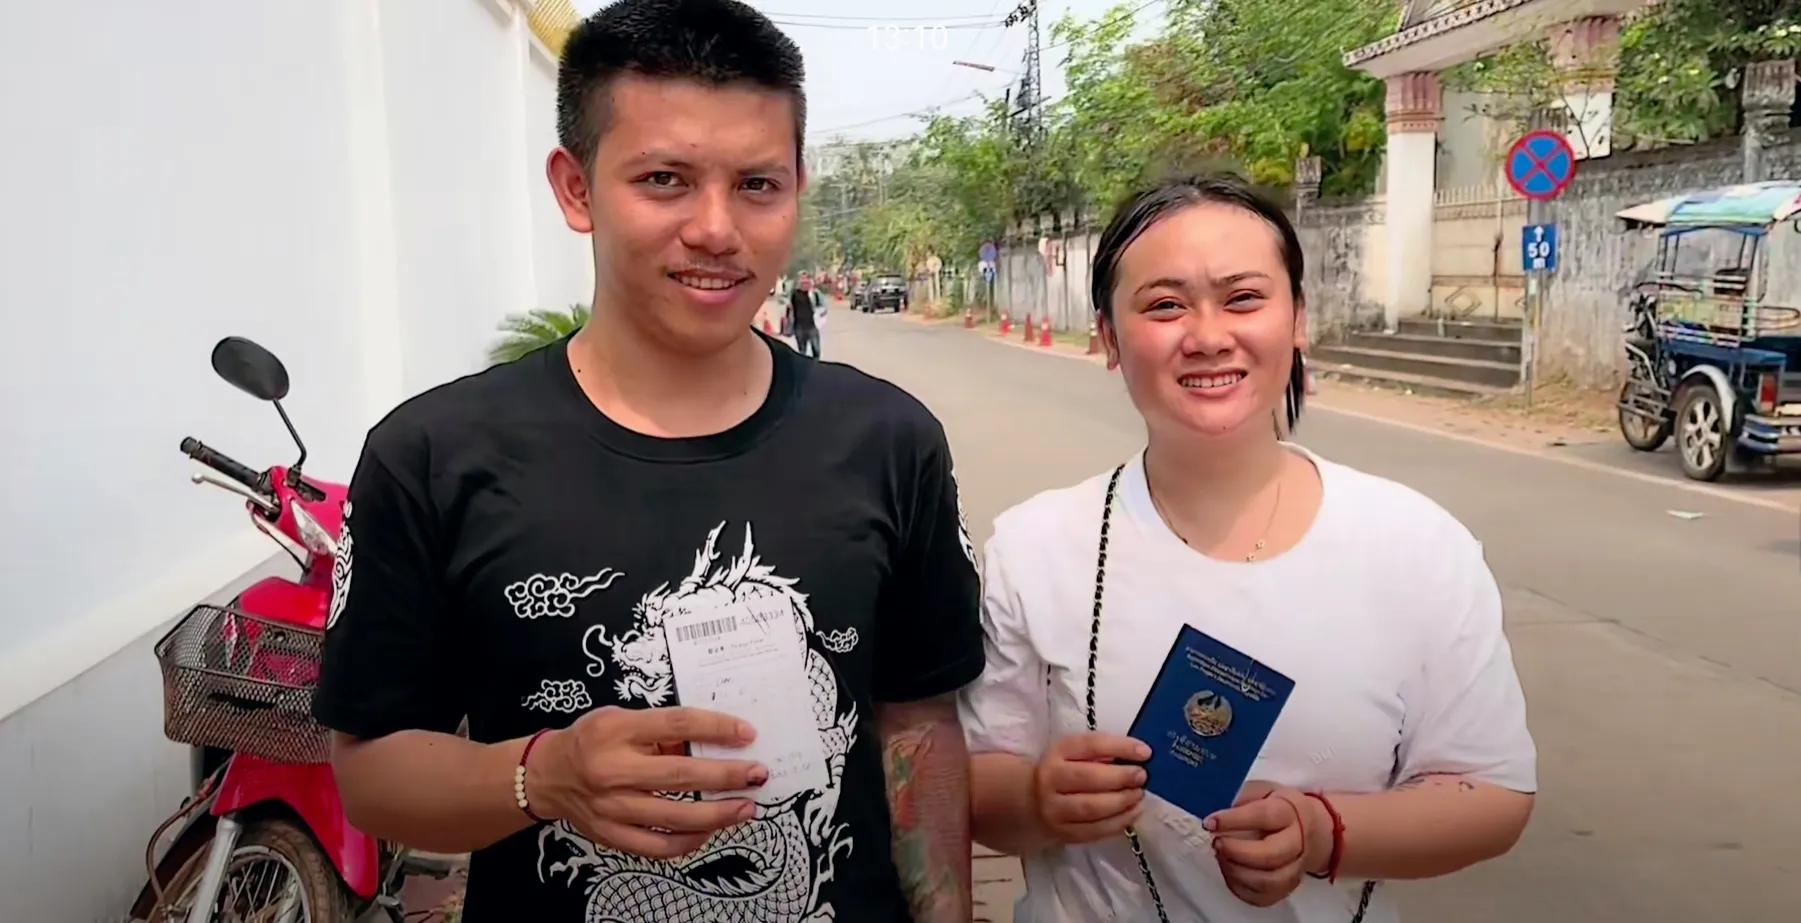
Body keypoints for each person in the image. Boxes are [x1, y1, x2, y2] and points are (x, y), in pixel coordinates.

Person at [312, 3, 983, 921]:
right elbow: (372, 774)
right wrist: (539, 776)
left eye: (757, 184)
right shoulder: (433, 457)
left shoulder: (887, 440)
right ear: (575, 186)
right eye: (664, 179)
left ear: (797, 186)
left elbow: (915, 728)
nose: (716, 228)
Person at [957, 175, 1536, 923]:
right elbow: (973, 782)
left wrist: (1325, 833)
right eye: (1164, 305)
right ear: (1105, 335)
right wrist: (1038, 798)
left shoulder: (1417, 546)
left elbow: (1490, 794)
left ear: (1297, 318)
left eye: (1242, 298)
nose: (1206, 335)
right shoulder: (1034, 549)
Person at [790, 270, 821, 358]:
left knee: (816, 349)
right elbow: (790, 305)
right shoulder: (795, 294)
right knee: (802, 351)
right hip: (799, 326)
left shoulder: (814, 294)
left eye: (806, 280)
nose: (804, 282)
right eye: (802, 280)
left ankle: (816, 367)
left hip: (812, 326)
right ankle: (805, 369)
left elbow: (821, 306)